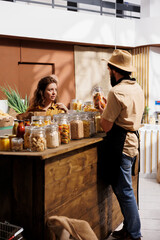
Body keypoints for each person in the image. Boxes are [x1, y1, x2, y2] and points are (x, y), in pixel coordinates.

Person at [99, 49, 144, 240]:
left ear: (114, 70)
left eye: (109, 69)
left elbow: (106, 126)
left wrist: (103, 114)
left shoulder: (116, 91)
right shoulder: (137, 87)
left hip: (121, 144)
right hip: (133, 142)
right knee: (123, 188)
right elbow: (125, 114)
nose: (108, 72)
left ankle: (134, 234)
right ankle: (128, 229)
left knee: (124, 191)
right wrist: (107, 110)